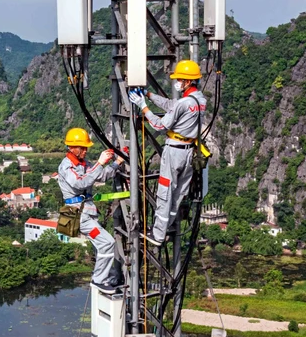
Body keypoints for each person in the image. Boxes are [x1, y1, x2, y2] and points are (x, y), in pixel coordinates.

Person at [128, 59, 206, 246]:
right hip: (190, 153)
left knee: (165, 191)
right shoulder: (200, 100)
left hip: (174, 152)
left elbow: (159, 125)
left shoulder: (184, 103)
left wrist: (143, 107)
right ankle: (168, 226)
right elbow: (172, 105)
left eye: (179, 79)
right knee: (179, 192)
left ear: (187, 81)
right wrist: (148, 94)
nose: (177, 82)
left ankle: (158, 235)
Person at [57, 127, 123, 294]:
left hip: (88, 213)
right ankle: (99, 280)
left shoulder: (83, 164)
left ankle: (107, 276)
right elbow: (80, 183)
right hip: (80, 216)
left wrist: (116, 163)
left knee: (103, 245)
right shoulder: (66, 167)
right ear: (72, 147)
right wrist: (100, 163)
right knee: (107, 243)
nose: (85, 151)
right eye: (82, 148)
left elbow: (99, 176)